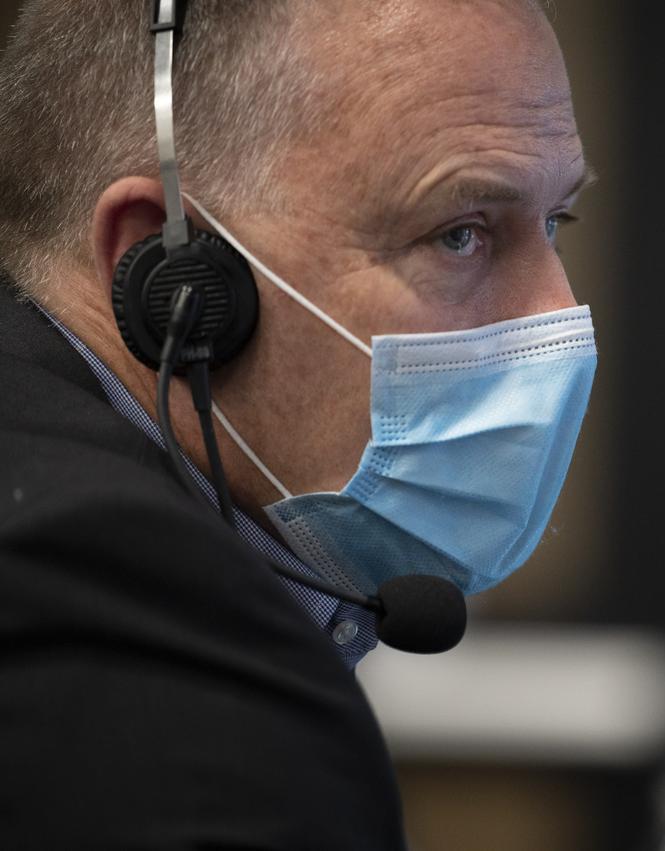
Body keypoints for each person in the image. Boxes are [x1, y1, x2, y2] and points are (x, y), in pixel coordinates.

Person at [0, 0, 596, 847]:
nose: (560, 316)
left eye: (555, 223)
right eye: (460, 232)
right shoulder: (157, 659)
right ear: (171, 282)